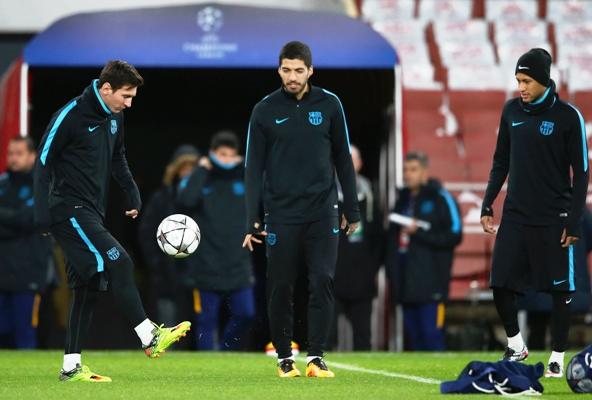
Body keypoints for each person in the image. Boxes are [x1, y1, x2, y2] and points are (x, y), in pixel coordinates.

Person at [33, 60, 191, 382]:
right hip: (68, 209)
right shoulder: (71, 115)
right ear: (106, 89)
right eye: (126, 96)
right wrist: (41, 214)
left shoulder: (115, 116)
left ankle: (71, 367)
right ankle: (149, 335)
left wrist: (132, 192)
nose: (129, 104)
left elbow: (118, 156)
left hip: (92, 210)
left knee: (87, 286)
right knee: (120, 262)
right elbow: (43, 161)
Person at [243, 41, 360, 378]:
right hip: (280, 214)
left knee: (322, 279)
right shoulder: (264, 109)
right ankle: (284, 357)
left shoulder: (330, 104)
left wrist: (351, 208)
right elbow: (253, 168)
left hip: (323, 211)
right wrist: (251, 218)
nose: (292, 77)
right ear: (279, 70)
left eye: (298, 70)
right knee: (280, 285)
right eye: (286, 70)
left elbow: (343, 159)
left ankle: (317, 357)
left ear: (311, 70)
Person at [480, 48, 589, 378]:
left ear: (543, 80)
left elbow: (581, 171)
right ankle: (516, 344)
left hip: (553, 217)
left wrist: (573, 219)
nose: (521, 87)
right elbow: (501, 161)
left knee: (560, 290)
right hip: (515, 214)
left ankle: (557, 355)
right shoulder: (511, 111)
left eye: (526, 80)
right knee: (499, 283)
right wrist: (488, 203)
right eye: (517, 80)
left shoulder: (569, 116)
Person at [177, 131, 255, 350]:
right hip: (206, 265)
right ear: (211, 154)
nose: (226, 160)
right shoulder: (201, 176)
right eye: (222, 155)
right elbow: (185, 200)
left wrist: (246, 166)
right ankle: (205, 370)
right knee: (205, 323)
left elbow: (265, 195)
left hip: (238, 264)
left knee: (246, 314)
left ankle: (224, 351)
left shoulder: (244, 176)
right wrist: (202, 169)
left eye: (231, 155)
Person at [386, 151, 462, 351]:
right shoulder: (402, 200)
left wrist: (419, 232)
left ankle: (440, 381)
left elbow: (455, 234)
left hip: (432, 285)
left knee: (432, 337)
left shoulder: (440, 197)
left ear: (424, 172)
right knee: (415, 341)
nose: (407, 174)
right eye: (405, 170)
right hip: (406, 282)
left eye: (413, 170)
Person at [138, 144, 199, 326]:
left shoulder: (207, 198)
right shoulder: (161, 199)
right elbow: (146, 233)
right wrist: (157, 264)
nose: (188, 173)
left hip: (200, 275)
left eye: (192, 169)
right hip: (167, 276)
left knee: (200, 325)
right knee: (169, 323)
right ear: (175, 171)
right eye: (183, 168)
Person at [0, 137, 52, 349]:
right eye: (10, 153)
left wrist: (10, 219)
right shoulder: (2, 183)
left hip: (29, 274)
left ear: (32, 156)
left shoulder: (41, 185)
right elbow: (19, 220)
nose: (13, 158)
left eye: (19, 153)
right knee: (2, 336)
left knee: (25, 336)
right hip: (2, 272)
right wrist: (14, 220)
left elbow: (30, 220)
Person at [333, 145, 381, 351]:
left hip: (362, 280)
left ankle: (364, 381)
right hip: (331, 278)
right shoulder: (325, 196)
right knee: (326, 338)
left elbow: (379, 239)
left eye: (353, 160)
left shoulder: (370, 197)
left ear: (360, 164)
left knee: (363, 338)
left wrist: (371, 269)